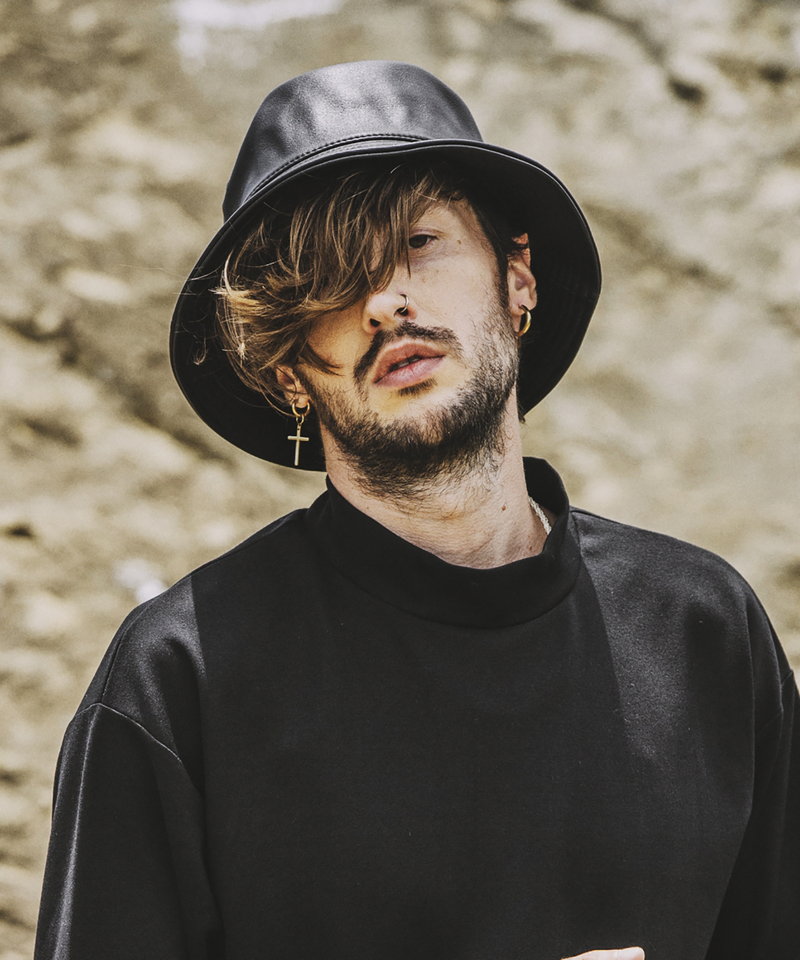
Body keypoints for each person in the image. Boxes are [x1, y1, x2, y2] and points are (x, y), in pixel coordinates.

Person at [34, 61, 798, 960]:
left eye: (419, 242)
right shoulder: (177, 679)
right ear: (286, 370)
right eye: (326, 280)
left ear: (518, 276)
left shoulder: (702, 629)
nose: (383, 302)